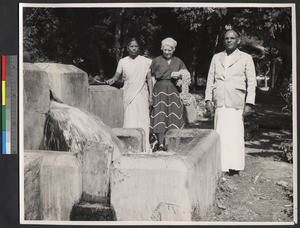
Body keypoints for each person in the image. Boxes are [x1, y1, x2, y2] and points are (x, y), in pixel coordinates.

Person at [205, 29, 257, 175]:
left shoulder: (246, 58)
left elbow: (251, 82)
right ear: (224, 40)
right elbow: (210, 79)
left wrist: (249, 103)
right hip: (220, 100)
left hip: (236, 100)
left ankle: (235, 165)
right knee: (220, 132)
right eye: (227, 38)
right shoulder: (217, 57)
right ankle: (221, 165)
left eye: (232, 38)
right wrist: (208, 99)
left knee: (235, 133)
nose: (229, 40)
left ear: (238, 40)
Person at [106, 38, 153, 152]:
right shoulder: (123, 61)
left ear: (138, 48)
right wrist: (111, 80)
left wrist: (151, 95)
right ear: (127, 48)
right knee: (129, 119)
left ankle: (144, 147)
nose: (134, 48)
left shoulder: (145, 61)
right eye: (131, 46)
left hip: (141, 93)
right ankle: (129, 146)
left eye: (136, 46)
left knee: (143, 118)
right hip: (128, 94)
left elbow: (149, 79)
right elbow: (116, 77)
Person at [150, 37, 187, 151]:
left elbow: (186, 76)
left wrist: (180, 79)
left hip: (173, 91)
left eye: (169, 50)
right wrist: (151, 94)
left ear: (173, 49)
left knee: (173, 114)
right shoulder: (156, 61)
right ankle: (160, 143)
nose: (167, 52)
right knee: (160, 114)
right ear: (162, 49)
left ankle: (171, 143)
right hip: (159, 90)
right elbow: (151, 77)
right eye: (165, 50)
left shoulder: (179, 62)